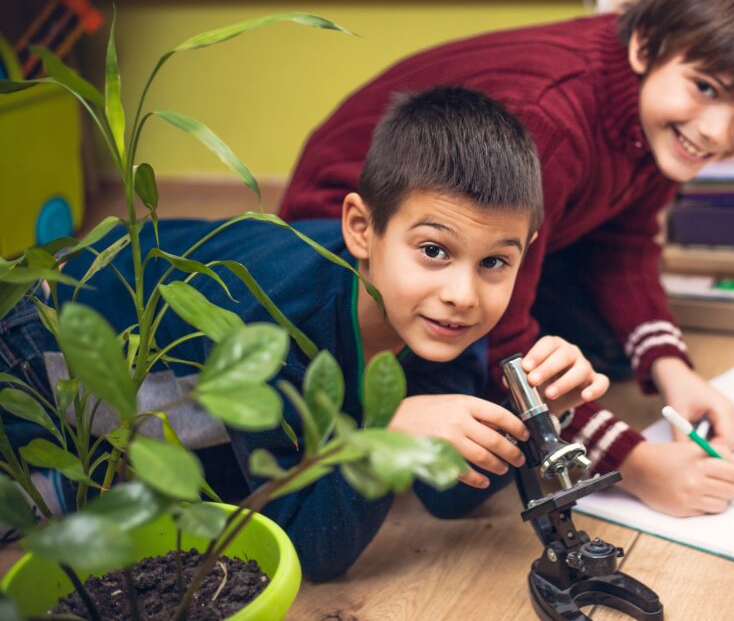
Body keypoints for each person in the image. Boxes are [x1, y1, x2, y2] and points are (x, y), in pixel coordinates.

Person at [277, 0, 734, 517]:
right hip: (344, 234)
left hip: (481, 233)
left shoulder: (664, 122)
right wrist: (634, 465)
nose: (717, 132)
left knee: (606, 354)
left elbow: (626, 241)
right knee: (506, 368)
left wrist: (675, 370)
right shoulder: (550, 124)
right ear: (645, 46)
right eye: (706, 88)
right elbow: (506, 342)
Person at [0, 87, 609, 581]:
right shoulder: (271, 317)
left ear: (526, 253)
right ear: (362, 230)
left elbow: (445, 494)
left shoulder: (444, 315)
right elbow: (304, 548)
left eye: (495, 263)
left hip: (147, 376)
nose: (464, 292)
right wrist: (379, 438)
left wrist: (530, 413)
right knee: (84, 500)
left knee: (229, 469)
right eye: (432, 250)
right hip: (37, 334)